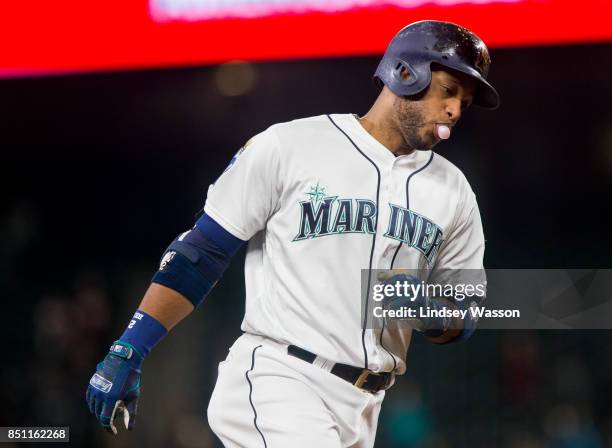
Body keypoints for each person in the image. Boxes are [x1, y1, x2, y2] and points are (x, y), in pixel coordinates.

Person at [86, 20, 499, 447]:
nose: (454, 110)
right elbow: (200, 255)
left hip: (365, 407)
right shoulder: (292, 146)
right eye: (448, 90)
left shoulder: (454, 192)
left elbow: (464, 316)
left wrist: (429, 311)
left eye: (464, 104)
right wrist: (130, 348)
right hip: (282, 380)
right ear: (406, 73)